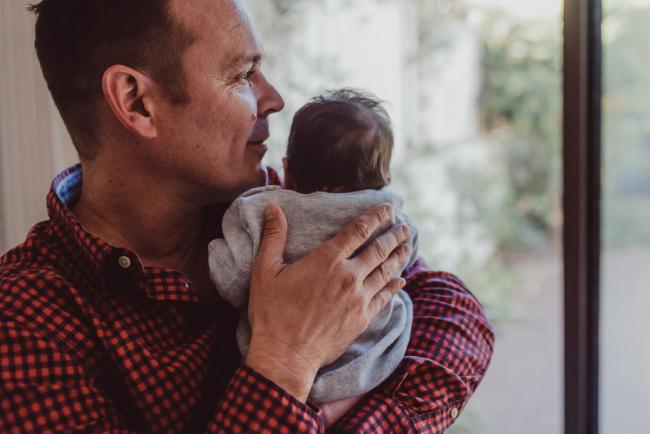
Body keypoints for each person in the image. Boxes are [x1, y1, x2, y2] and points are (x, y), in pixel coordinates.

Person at [0, 0, 494, 433]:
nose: (274, 98)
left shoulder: (279, 205)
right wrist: (284, 360)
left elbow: (457, 314)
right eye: (242, 74)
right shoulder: (23, 326)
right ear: (137, 102)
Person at [209, 89, 418, 413]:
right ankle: (337, 411)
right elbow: (409, 261)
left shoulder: (260, 211)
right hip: (371, 361)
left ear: (288, 170)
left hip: (265, 379)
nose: (272, 99)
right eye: (241, 76)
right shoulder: (390, 216)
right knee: (399, 308)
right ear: (384, 178)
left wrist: (213, 250)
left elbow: (230, 281)